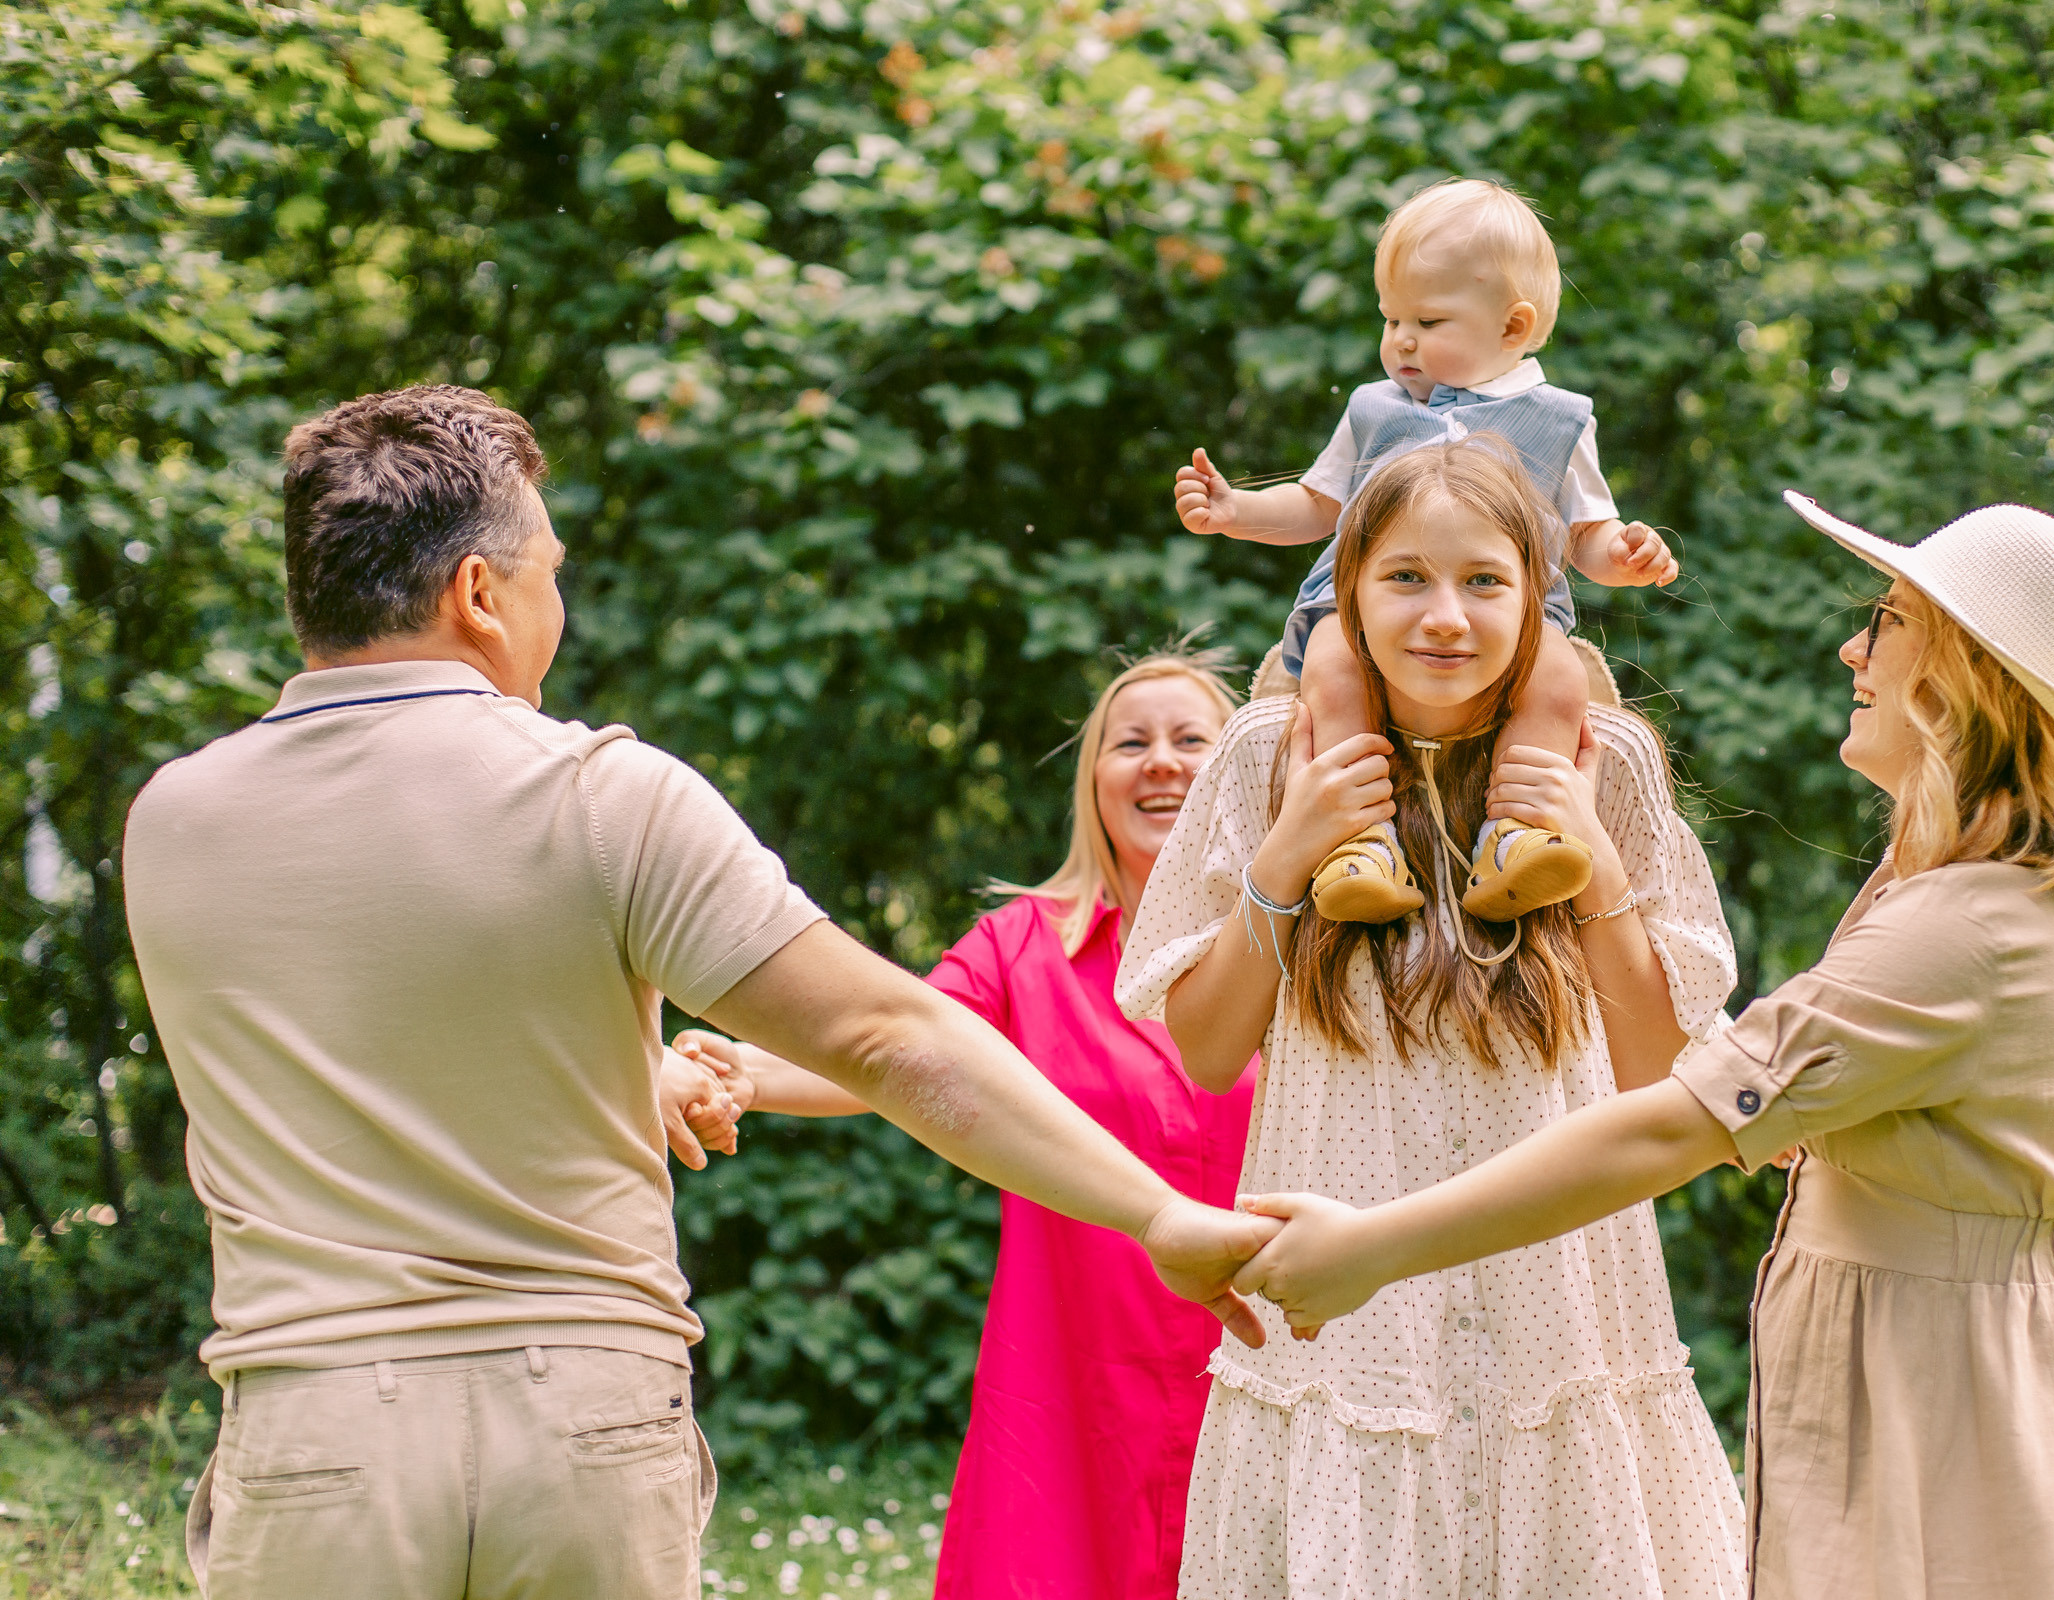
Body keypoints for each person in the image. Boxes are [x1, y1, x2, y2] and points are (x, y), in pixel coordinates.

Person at [120, 384, 1278, 1600]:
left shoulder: (174, 822)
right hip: (577, 1427)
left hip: (316, 1435)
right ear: (476, 593)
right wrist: (1158, 1216)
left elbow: (386, 1023)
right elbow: (885, 1036)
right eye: (547, 570)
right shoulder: (599, 797)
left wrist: (642, 1068)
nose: (553, 604)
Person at [1231, 491, 2054, 1600]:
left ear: (1960, 673)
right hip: (1919, 1362)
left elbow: (1666, 1129)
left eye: (1888, 618)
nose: (1851, 646)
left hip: (1942, 1392)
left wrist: (1375, 1246)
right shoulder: (1965, 900)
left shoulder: (1967, 926)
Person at [1121, 438, 1747, 1598]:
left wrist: (1597, 861)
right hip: (1348, 1331)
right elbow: (1206, 1053)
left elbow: (1659, 1066)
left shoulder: (1601, 762)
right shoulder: (1271, 756)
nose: (1445, 616)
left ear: (1536, 596)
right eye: (1406, 576)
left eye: (1484, 581)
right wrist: (1288, 853)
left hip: (1559, 1311)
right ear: (1346, 590)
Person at [676, 648, 1259, 1600]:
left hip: (1267, 1354)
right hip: (1075, 1382)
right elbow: (889, 1049)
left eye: (1192, 740)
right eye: (1131, 743)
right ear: (1093, 783)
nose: (1161, 762)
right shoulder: (1022, 944)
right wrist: (746, 1071)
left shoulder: (1300, 941)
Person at [1172, 176, 1678, 928]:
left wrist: (1625, 557)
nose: (1401, 341)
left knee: (1559, 677)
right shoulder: (1375, 409)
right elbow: (1318, 505)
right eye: (1391, 319)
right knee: (1333, 665)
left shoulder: (1556, 419)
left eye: (1428, 320)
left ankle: (1518, 832)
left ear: (1513, 328)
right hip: (1361, 616)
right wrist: (1236, 510)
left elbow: (1586, 534)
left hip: (1514, 628)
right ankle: (1359, 844)